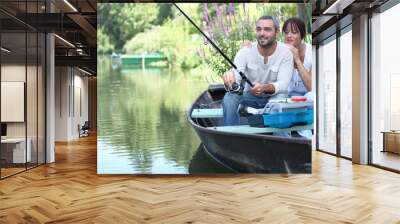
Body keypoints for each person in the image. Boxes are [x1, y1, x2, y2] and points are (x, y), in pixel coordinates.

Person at [222, 15, 294, 126]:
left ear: (277, 32)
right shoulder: (245, 52)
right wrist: (230, 81)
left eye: (267, 29)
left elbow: (283, 84)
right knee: (229, 98)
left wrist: (264, 87)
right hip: (249, 97)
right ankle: (231, 137)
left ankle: (282, 140)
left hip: (274, 97)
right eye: (259, 29)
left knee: (281, 100)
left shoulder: (286, 53)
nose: (262, 33)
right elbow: (236, 76)